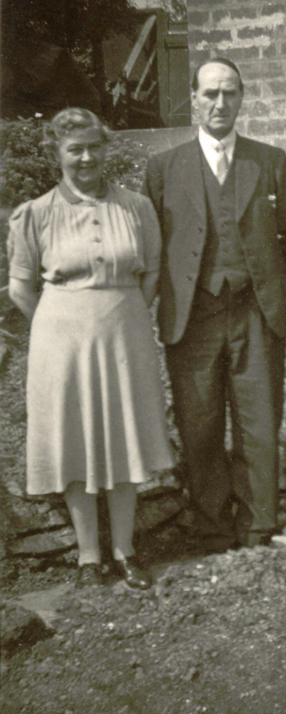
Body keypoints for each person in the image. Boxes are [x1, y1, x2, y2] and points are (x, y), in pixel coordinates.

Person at [143, 57, 286, 552]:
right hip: (191, 317)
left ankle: (260, 525)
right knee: (199, 425)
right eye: (211, 94)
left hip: (255, 313)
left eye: (230, 93)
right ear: (193, 99)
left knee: (259, 422)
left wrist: (261, 274)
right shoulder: (162, 168)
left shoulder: (270, 161)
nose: (221, 103)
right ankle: (212, 528)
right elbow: (151, 246)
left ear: (242, 99)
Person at [8, 108, 175, 589]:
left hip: (125, 333)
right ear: (56, 153)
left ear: (106, 147)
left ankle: (124, 550)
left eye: (93, 146)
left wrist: (120, 313)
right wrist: (64, 321)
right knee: (74, 440)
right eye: (74, 148)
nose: (85, 157)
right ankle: (87, 558)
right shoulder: (35, 214)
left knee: (124, 437)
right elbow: (21, 289)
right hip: (59, 340)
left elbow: (152, 273)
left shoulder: (137, 208)